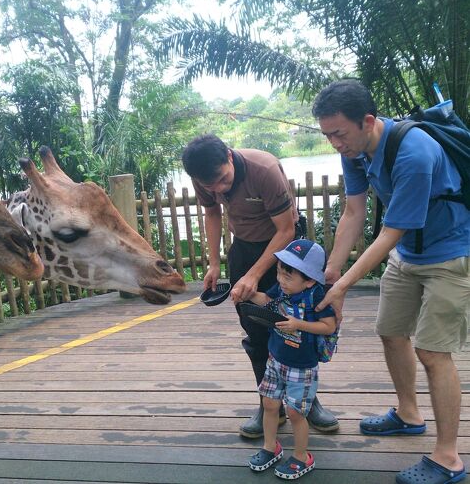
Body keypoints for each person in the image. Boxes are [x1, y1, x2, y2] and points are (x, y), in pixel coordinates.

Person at [312, 79, 470, 483]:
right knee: (391, 332)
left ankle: (448, 457)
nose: (334, 143)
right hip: (408, 254)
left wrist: (343, 285)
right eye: (327, 134)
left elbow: (389, 232)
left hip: (451, 254)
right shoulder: (355, 149)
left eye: (339, 134)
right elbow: (353, 212)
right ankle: (408, 414)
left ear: (367, 121)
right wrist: (332, 270)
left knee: (433, 352)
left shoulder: (415, 153)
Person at [182, 134, 339, 438]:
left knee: (297, 326)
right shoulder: (203, 175)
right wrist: (214, 263)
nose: (219, 190)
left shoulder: (263, 170)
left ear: (229, 156)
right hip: (243, 246)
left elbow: (286, 229)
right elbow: (212, 213)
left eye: (223, 181)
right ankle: (269, 404)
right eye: (210, 186)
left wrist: (254, 275)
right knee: (255, 329)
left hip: (285, 251)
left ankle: (307, 402)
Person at [248, 239, 336, 479]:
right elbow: (268, 301)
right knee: (269, 404)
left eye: (288, 277)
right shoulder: (282, 289)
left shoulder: (316, 295)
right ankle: (270, 447)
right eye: (279, 273)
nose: (280, 281)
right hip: (275, 359)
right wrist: (247, 294)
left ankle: (301, 456)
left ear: (309, 280)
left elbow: (329, 326)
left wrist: (299, 325)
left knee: (296, 413)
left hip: (302, 367)